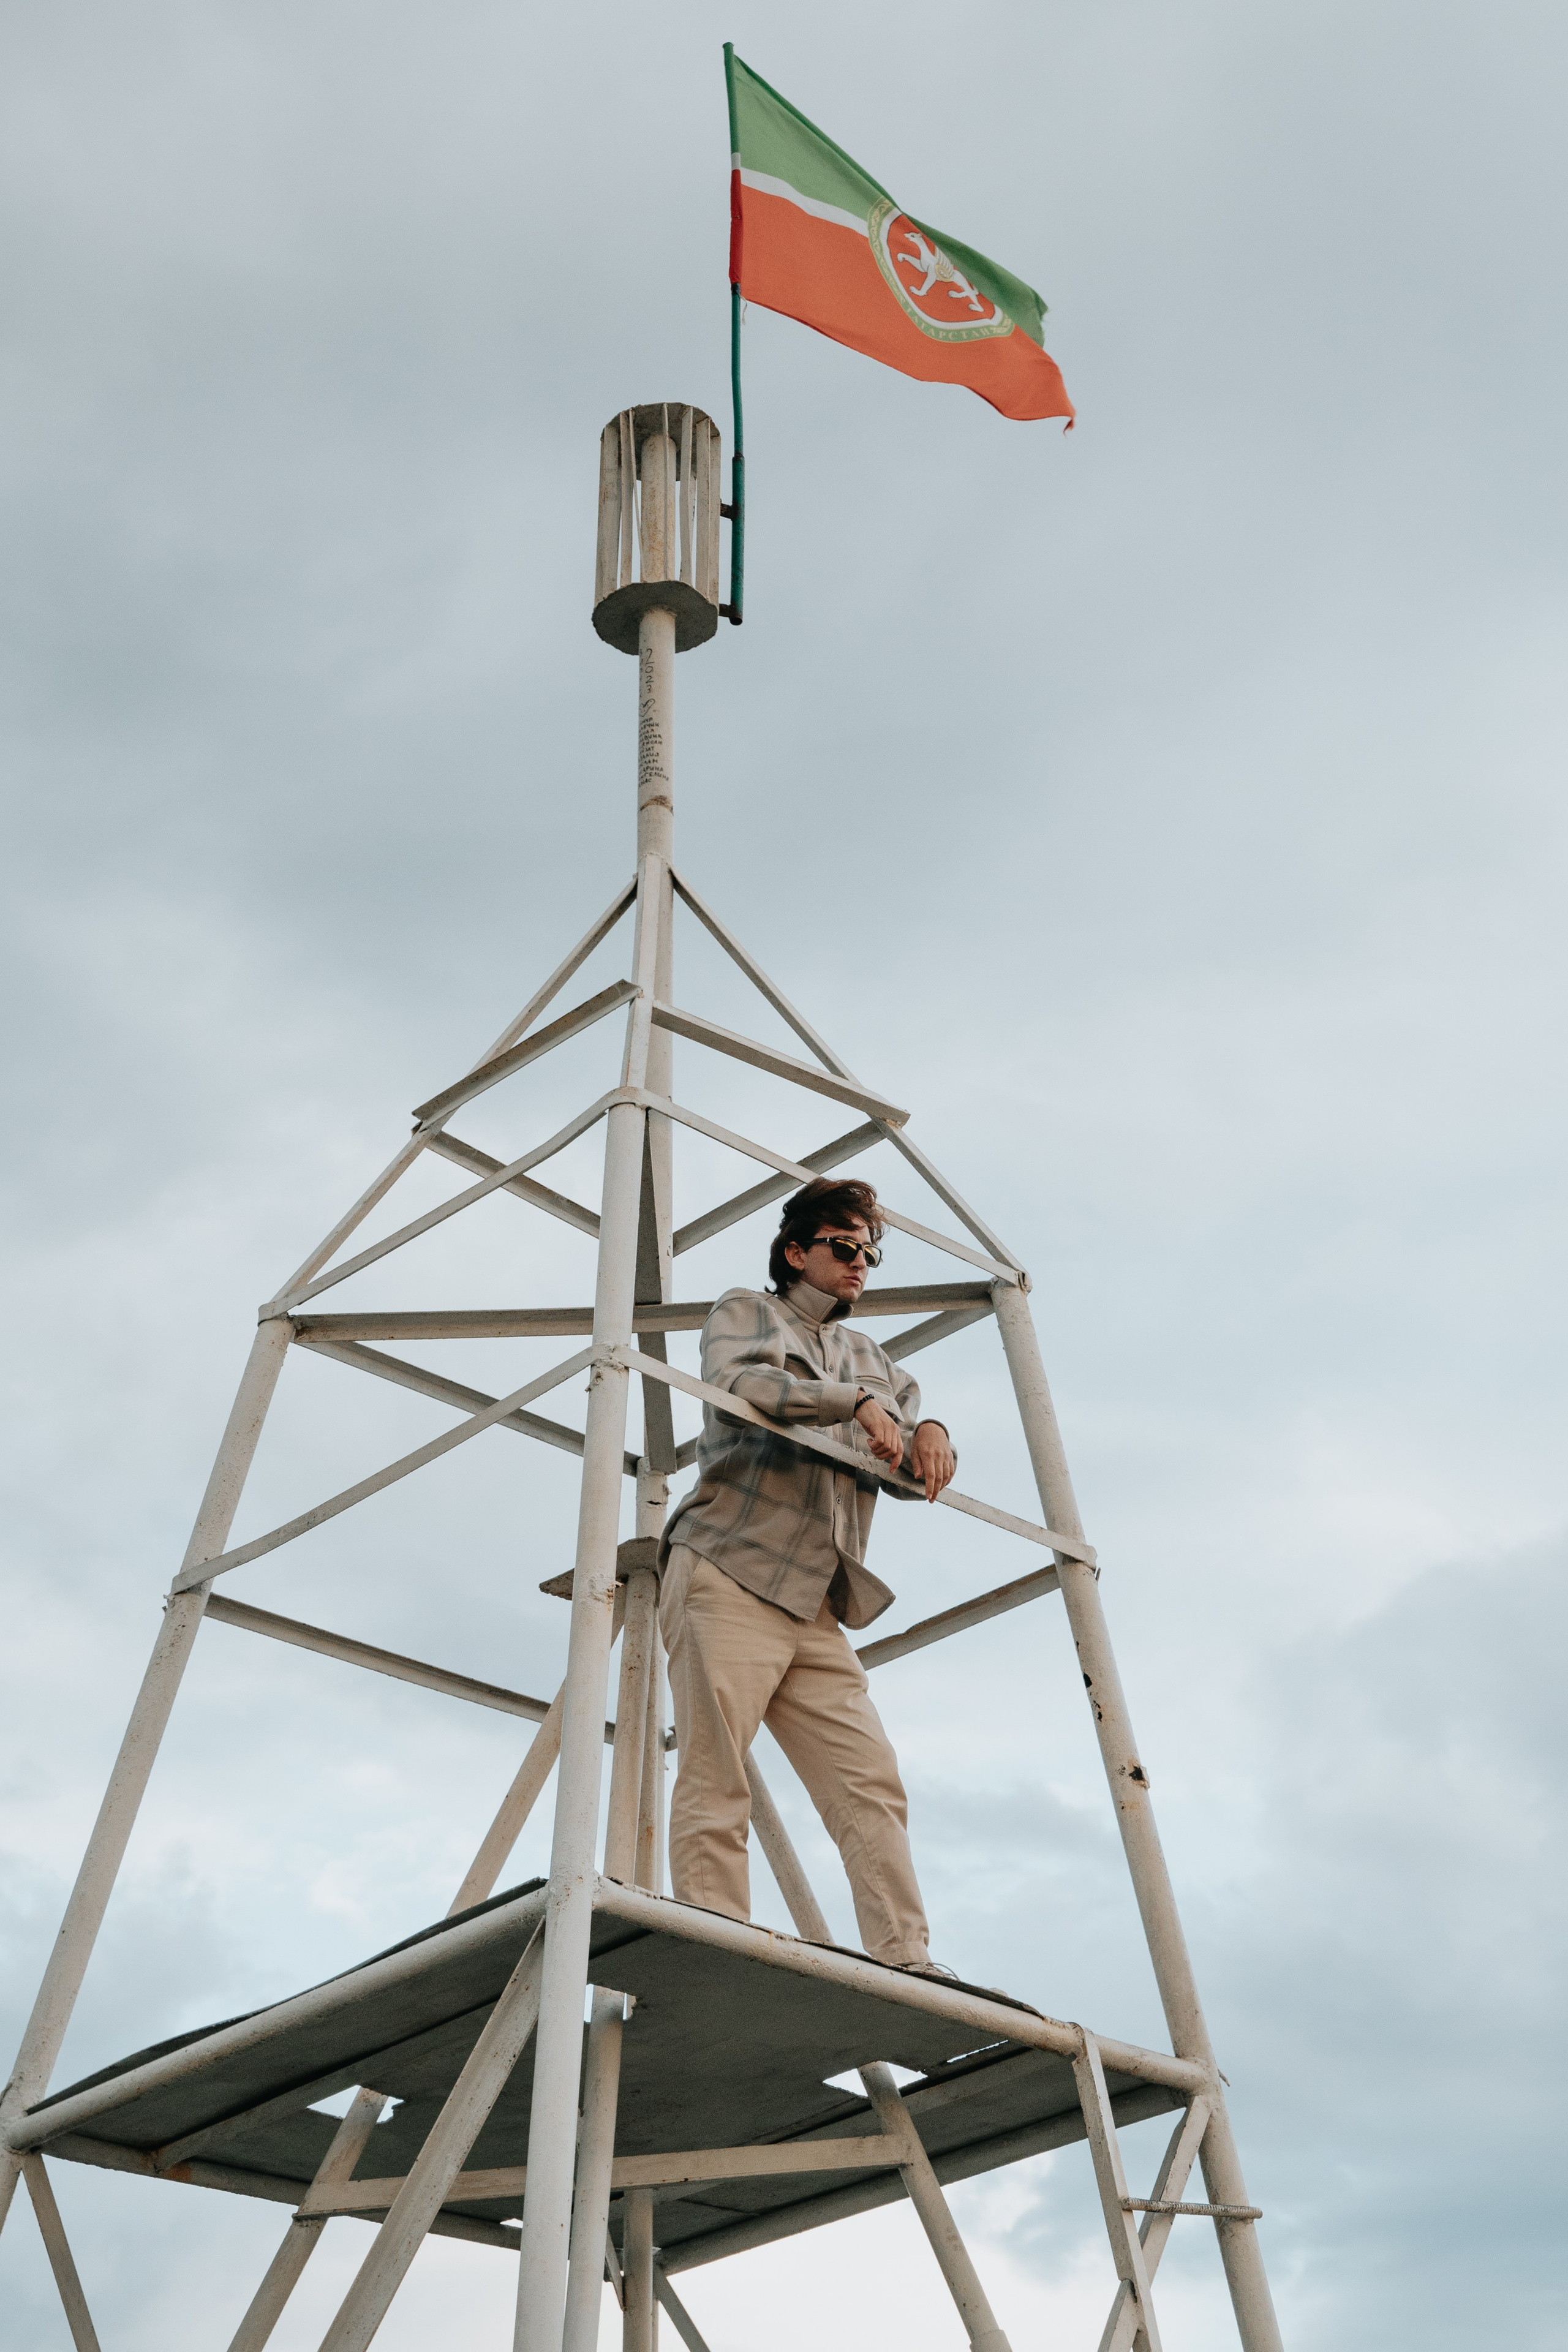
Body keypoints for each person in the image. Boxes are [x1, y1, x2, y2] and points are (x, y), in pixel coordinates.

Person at [658, 1175, 957, 1974]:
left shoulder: (869, 1354)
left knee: (870, 1784)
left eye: (871, 1253)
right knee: (718, 1775)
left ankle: (907, 1960)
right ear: (797, 1251)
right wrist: (854, 1404)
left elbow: (905, 1402)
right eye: (845, 1248)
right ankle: (716, 1943)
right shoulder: (744, 1312)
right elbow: (740, 1386)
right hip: (729, 1569)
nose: (861, 1264)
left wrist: (928, 1426)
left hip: (813, 1601)